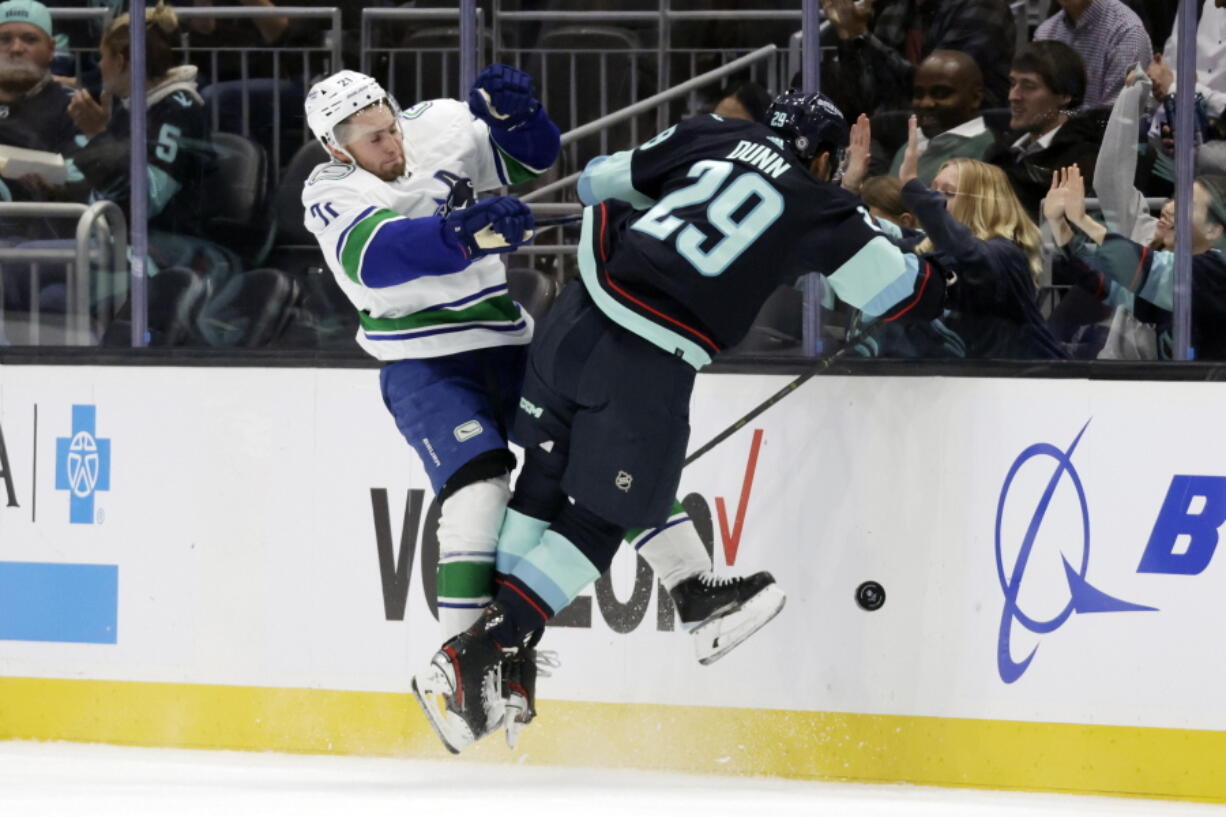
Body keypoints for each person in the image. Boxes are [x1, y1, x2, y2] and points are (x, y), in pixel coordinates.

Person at [411, 90, 951, 753]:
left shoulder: (715, 134)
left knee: (545, 477)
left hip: (573, 314)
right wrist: (933, 262)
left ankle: (511, 669)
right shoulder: (825, 205)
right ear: (824, 156)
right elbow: (897, 295)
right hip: (644, 358)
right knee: (605, 514)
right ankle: (479, 653)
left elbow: (596, 181)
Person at [303, 67, 790, 752]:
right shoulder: (327, 191)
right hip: (424, 362)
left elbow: (533, 159)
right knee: (478, 495)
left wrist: (519, 119)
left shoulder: (438, 122)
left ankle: (696, 592)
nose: (391, 143)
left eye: (388, 125)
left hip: (508, 338)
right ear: (338, 148)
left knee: (612, 447)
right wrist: (463, 235)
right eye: (371, 140)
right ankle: (463, 673)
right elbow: (376, 257)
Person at [900, 119, 1066, 359]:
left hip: (1034, 385)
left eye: (947, 193)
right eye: (930, 190)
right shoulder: (926, 248)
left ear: (981, 204)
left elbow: (968, 255)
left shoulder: (1006, 255)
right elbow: (877, 246)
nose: (933, 200)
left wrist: (913, 188)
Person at [66, 3, 214, 268]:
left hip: (164, 249)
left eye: (103, 57)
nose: (99, 66)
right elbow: (106, 186)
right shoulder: (130, 106)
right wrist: (53, 185)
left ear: (121, 62)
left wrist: (97, 134)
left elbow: (143, 201)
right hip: (115, 238)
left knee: (39, 280)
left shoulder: (178, 111)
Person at [1048, 165, 1226, 358]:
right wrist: (1058, 223)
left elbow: (1146, 269)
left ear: (1214, 229)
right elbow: (1108, 285)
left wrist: (1083, 220)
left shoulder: (1218, 269)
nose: (1171, 208)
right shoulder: (1178, 287)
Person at [821, 0, 1016, 112]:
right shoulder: (895, 8)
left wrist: (860, 35)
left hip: (967, 132)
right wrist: (848, 36)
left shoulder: (984, 7)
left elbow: (937, 87)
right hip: (897, 128)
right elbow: (867, 93)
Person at [986, 41, 1103, 219]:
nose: (1013, 96)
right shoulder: (1000, 152)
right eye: (1013, 84)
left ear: (1064, 96)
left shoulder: (1081, 163)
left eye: (1028, 86)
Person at [887, 50, 995, 184]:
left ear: (975, 98)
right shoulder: (910, 145)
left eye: (941, 93)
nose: (925, 103)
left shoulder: (988, 156)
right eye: (919, 94)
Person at [1033, 0, 1152, 109]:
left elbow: (1112, 120)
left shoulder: (1126, 32)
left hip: (1102, 130)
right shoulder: (1045, 33)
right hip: (1050, 130)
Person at [0, 0, 77, 157]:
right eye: (4, 39)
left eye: (30, 39)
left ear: (51, 49)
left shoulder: (74, 108)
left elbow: (81, 173)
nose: (16, 49)